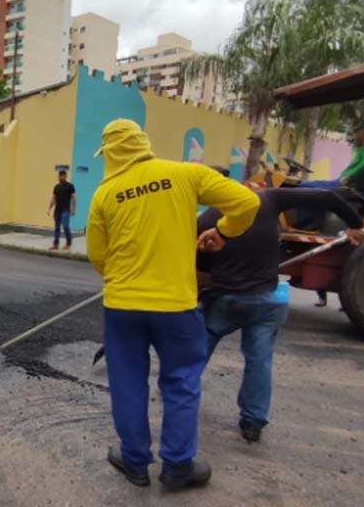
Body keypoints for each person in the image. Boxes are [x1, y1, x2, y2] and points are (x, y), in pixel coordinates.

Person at [86, 119, 260, 490]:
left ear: (111, 153)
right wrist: (224, 231)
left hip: (122, 306)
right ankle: (178, 466)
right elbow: (247, 202)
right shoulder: (184, 175)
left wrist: (123, 278)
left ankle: (134, 462)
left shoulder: (105, 193)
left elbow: (98, 256)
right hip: (176, 307)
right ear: (142, 144)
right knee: (181, 382)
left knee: (127, 383)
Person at [197, 187, 364, 443]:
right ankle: (253, 421)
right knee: (259, 360)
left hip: (226, 299)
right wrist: (355, 224)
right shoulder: (268, 198)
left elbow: (202, 265)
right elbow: (328, 197)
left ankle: (179, 394)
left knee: (198, 349)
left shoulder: (208, 219)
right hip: (266, 300)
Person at [47, 170, 76, 250]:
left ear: (66, 176)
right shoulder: (56, 187)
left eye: (63, 176)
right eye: (60, 176)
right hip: (57, 211)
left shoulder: (70, 186)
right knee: (57, 228)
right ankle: (55, 244)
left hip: (66, 210)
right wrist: (49, 208)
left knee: (66, 226)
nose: (61, 177)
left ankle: (68, 243)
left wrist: (73, 209)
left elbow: (74, 198)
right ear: (58, 177)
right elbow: (54, 199)